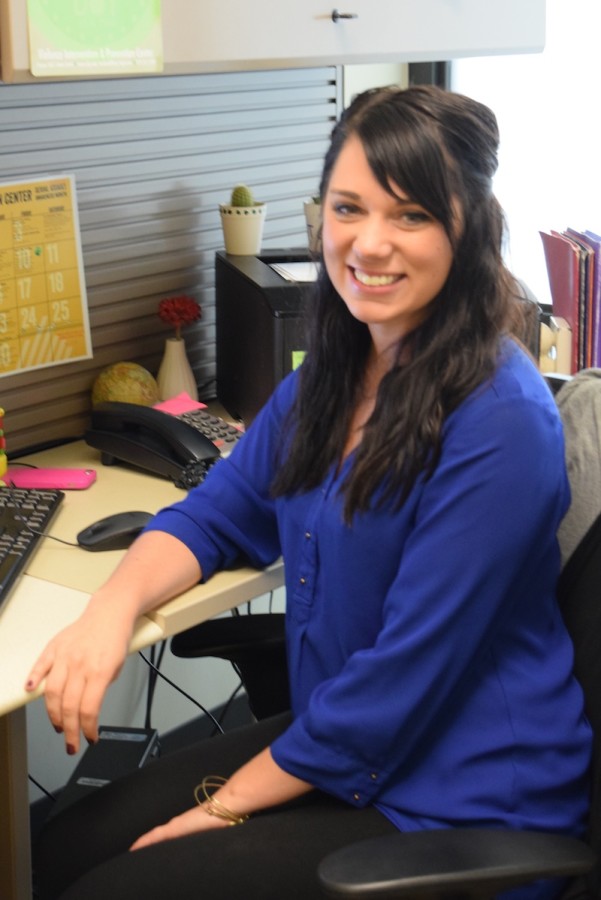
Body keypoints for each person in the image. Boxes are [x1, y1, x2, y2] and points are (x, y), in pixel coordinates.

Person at [30, 85, 591, 900]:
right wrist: (108, 610)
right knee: (66, 844)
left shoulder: (499, 421)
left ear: (467, 227)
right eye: (347, 208)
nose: (369, 244)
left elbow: (404, 676)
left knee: (112, 890)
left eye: (410, 216)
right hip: (348, 741)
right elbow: (219, 513)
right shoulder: (334, 373)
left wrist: (224, 809)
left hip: (460, 799)